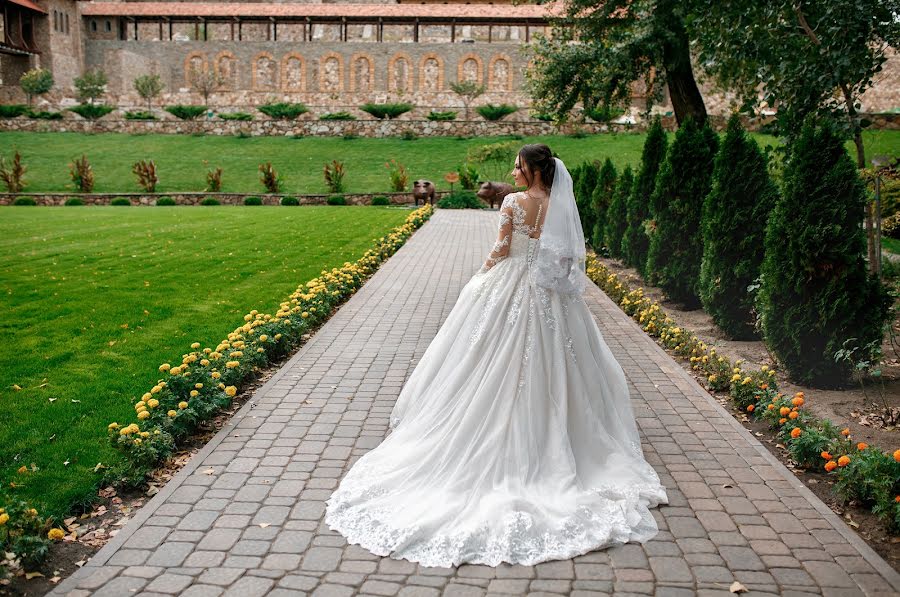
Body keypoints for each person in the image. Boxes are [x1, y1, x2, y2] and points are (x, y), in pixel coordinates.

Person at [324, 144, 668, 568]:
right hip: (550, 295)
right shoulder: (558, 203)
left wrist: (481, 275)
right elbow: (564, 256)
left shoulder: (512, 201)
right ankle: (563, 433)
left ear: (533, 170)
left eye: (519, 166)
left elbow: (502, 249)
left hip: (511, 285)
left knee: (482, 355)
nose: (513, 171)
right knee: (564, 362)